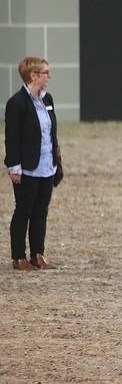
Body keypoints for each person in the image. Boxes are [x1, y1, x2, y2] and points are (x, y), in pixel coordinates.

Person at [6, 56, 61, 270]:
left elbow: (51, 131)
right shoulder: (17, 103)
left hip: (47, 166)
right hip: (27, 168)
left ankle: (38, 254)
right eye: (46, 72)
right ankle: (18, 257)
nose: (49, 76)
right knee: (24, 211)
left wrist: (57, 154)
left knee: (41, 211)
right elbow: (12, 138)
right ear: (33, 75)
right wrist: (14, 167)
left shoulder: (48, 100)